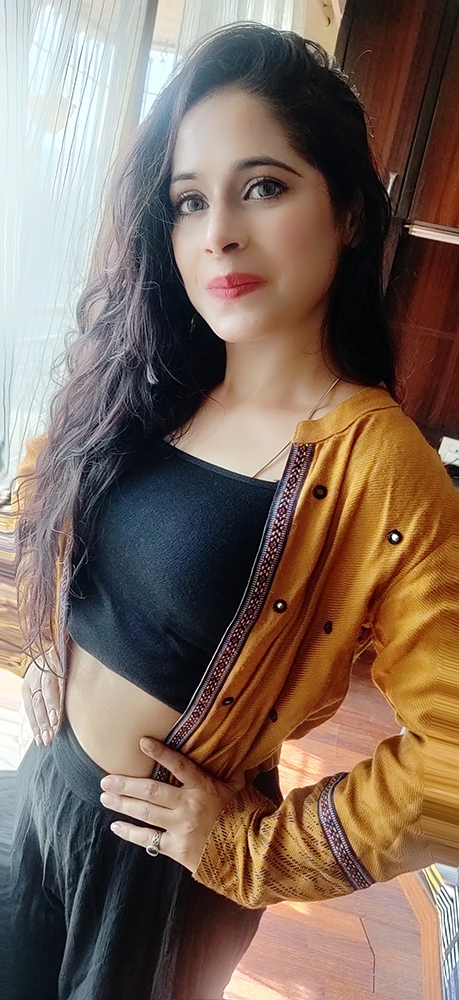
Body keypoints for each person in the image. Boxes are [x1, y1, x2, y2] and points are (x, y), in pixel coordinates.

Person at [7, 21, 457, 1000]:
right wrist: (41, 634)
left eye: (263, 186)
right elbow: (40, 509)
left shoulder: (380, 463)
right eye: (188, 200)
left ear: (347, 212)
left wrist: (255, 848)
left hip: (157, 876)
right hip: (41, 792)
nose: (217, 232)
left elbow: (454, 760)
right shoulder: (147, 380)